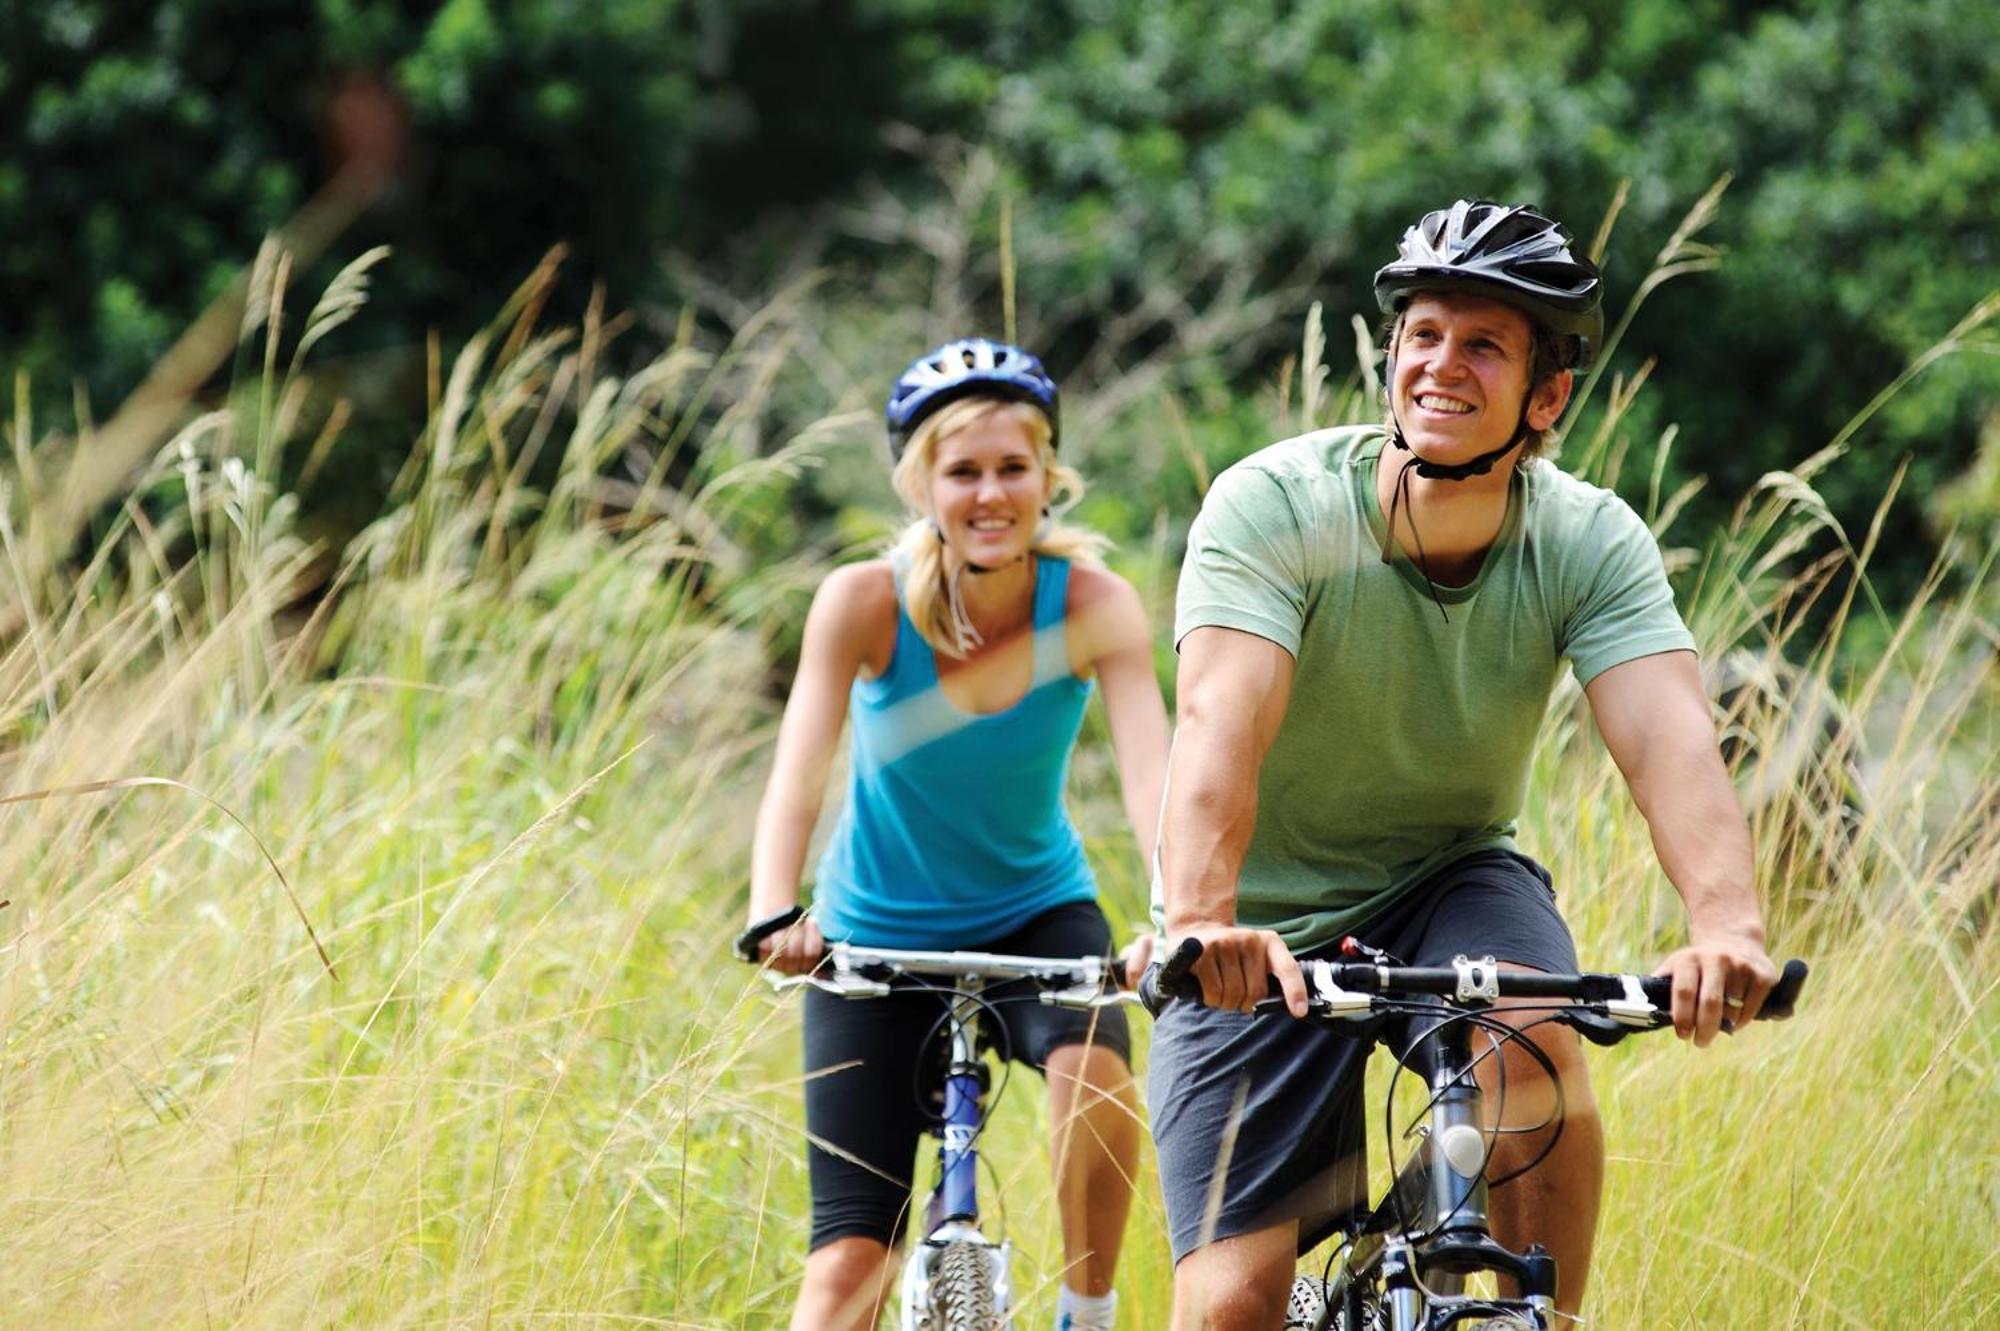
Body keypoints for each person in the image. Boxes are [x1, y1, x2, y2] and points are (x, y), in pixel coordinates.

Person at [1148, 200, 1781, 1328]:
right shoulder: (1276, 505)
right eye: (1422, 335)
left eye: (1482, 344)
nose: (1440, 364)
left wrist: (1725, 925)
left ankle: (1538, 1317)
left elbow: (1666, 734)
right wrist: (1200, 916)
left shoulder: (1585, 539)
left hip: (1450, 876)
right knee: (1228, 1305)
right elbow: (1216, 721)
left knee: (1534, 1032)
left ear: (1545, 397)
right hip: (1254, 923)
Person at [744, 338, 1171, 1331]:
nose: (990, 493)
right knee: (844, 1267)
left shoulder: (1095, 605)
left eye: (1012, 468)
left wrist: (1173, 917)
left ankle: (1087, 1311)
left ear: (1048, 476)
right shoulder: (861, 601)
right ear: (921, 483)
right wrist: (776, 907)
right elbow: (796, 773)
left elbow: (1158, 775)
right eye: (962, 470)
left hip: (1035, 913)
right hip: (871, 934)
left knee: (1095, 1075)